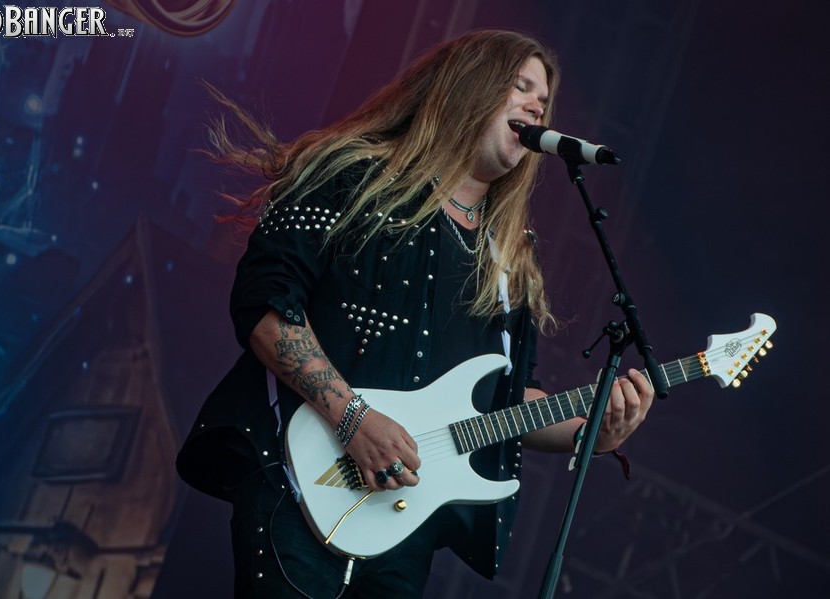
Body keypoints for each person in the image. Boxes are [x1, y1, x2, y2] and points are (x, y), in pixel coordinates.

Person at [176, 29, 654, 598]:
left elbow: (508, 400)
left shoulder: (507, 263)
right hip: (296, 481)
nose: (536, 107)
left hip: (404, 521)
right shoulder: (351, 175)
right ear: (468, 86)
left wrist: (592, 431)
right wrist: (354, 420)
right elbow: (265, 304)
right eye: (520, 86)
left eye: (544, 100)